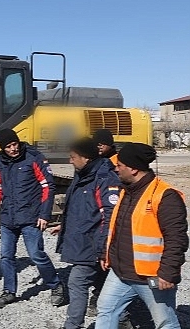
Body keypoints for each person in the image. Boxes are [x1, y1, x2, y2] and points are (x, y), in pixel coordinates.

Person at [96, 143, 188, 328]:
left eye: (120, 165)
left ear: (134, 168)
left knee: (165, 323)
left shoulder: (165, 196)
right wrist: (106, 254)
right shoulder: (126, 191)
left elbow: (176, 239)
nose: (116, 168)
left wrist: (168, 274)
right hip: (120, 272)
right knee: (105, 310)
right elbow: (118, 227)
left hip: (150, 276)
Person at [0, 128, 65, 308]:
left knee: (36, 255)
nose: (13, 149)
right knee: (6, 256)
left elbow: (48, 187)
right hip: (8, 219)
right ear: (2, 148)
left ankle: (56, 285)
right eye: (8, 146)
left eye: (15, 144)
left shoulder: (34, 157)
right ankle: (9, 291)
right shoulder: (0, 162)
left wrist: (44, 214)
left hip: (31, 217)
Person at [49, 138, 120, 329]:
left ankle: (72, 325)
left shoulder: (105, 179)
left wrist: (103, 250)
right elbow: (80, 208)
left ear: (86, 158)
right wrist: (65, 227)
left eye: (73, 157)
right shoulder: (83, 174)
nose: (70, 161)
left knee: (77, 281)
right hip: (84, 240)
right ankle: (123, 319)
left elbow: (110, 216)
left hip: (93, 243)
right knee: (103, 283)